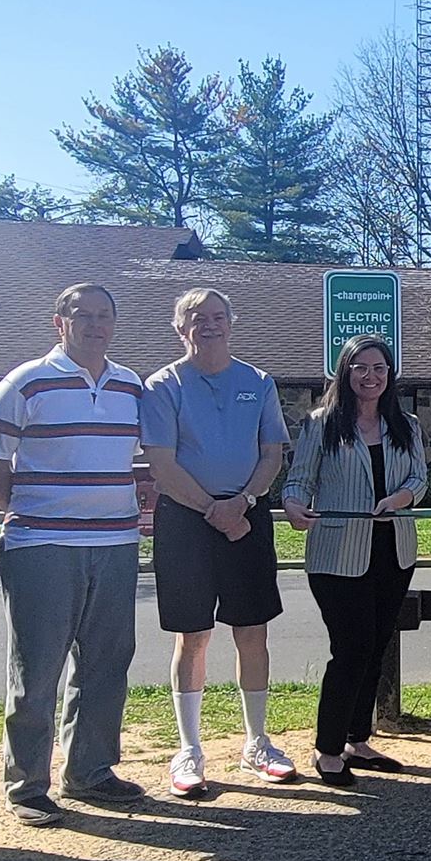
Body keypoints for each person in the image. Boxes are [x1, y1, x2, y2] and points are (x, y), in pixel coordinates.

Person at [0, 283, 147, 826]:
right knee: (37, 669)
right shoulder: (26, 381)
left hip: (116, 543)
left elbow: (144, 457)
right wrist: (26, 511)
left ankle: (90, 771)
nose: (94, 325)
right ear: (60, 322)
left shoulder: (131, 385)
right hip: (41, 545)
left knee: (105, 664)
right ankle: (27, 784)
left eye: (104, 316)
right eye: (82, 315)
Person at [141, 289, 295, 796]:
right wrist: (214, 510)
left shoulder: (258, 382)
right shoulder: (163, 385)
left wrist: (242, 504)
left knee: (252, 630)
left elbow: (271, 455)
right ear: (179, 327)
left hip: (247, 517)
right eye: (196, 318)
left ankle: (257, 742)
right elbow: (162, 465)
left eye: (217, 317)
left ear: (231, 322)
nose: (208, 325)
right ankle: (189, 749)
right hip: (186, 520)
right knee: (193, 636)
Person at [283, 334, 424, 786]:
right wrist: (293, 505)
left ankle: (357, 740)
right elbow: (298, 481)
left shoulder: (407, 425)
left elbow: (420, 479)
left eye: (379, 368)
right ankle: (328, 748)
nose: (370, 376)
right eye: (360, 367)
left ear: (390, 374)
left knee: (376, 646)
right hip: (337, 556)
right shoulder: (321, 423)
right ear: (345, 372)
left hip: (393, 552)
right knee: (351, 649)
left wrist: (400, 498)